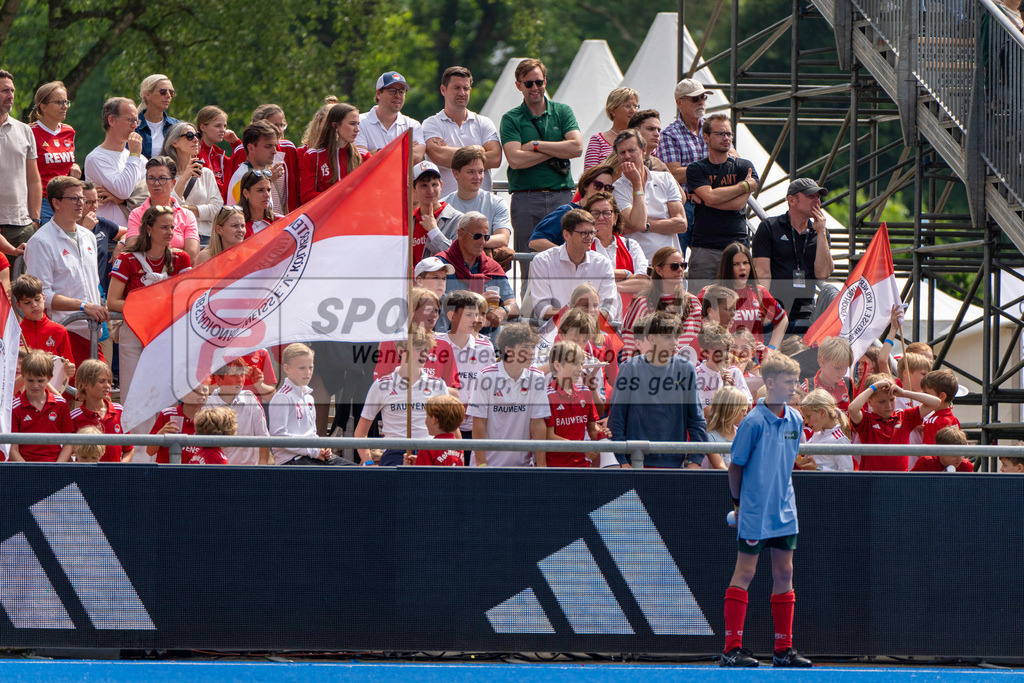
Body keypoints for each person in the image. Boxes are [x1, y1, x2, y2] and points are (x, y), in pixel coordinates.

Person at [721, 351, 811, 668]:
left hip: (785, 509)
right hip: (754, 511)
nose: (794, 387)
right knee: (745, 573)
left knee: (784, 573)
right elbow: (736, 468)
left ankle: (783, 651)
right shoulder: (752, 422)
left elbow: (787, 463)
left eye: (795, 382)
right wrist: (739, 505)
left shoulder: (796, 419)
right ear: (770, 383)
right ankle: (732, 649)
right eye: (788, 382)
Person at [500, 58, 583, 278]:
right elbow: (515, 160)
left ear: (545, 81)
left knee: (569, 262)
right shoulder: (511, 118)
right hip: (526, 199)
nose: (535, 88)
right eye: (528, 84)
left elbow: (576, 148)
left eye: (539, 82)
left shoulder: (562, 111)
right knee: (529, 267)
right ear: (518, 85)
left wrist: (537, 146)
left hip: (562, 196)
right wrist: (557, 149)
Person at [107, 205, 192, 410]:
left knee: (166, 396)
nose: (170, 233)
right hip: (135, 332)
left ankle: (165, 442)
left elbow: (188, 299)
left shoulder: (181, 259)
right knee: (134, 394)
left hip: (167, 334)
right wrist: (148, 306)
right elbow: (112, 302)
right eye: (164, 227)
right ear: (148, 229)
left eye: (172, 227)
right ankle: (136, 443)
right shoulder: (127, 259)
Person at [23, 176, 109, 367]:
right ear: (56, 202)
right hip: (63, 332)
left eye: (82, 199)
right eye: (74, 199)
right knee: (72, 395)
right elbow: (41, 294)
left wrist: (94, 308)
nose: (81, 203)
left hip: (93, 331)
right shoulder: (40, 242)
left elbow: (93, 284)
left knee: (97, 392)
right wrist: (83, 306)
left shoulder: (88, 236)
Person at [609, 311, 708, 467]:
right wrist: (622, 461)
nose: (675, 342)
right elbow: (616, 419)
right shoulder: (629, 368)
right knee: (632, 493)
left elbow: (696, 419)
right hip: (635, 464)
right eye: (668, 337)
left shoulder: (687, 369)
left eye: (676, 336)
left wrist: (696, 460)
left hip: (674, 465)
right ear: (651, 339)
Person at [356, 328, 450, 466]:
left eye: (426, 349)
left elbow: (451, 430)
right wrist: (369, 463)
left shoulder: (438, 384)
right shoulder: (381, 385)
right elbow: (360, 433)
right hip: (393, 454)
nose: (424, 354)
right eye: (418, 348)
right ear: (401, 351)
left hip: (430, 453)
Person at [752, 178, 834, 334]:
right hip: (774, 312)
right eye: (811, 196)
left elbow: (823, 273)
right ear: (792, 200)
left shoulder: (820, 232)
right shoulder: (770, 227)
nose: (817, 200)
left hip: (805, 313)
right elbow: (763, 273)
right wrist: (763, 309)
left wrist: (821, 233)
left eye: (818, 196)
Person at [686, 114, 758, 285]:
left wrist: (705, 201)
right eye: (720, 133)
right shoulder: (696, 169)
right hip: (705, 246)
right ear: (706, 137)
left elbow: (739, 204)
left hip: (737, 244)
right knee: (701, 302)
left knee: (739, 303)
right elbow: (710, 197)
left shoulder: (743, 166)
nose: (726, 138)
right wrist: (744, 186)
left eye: (729, 134)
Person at [467, 322, 549, 466]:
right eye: (525, 347)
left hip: (522, 467)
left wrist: (541, 466)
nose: (531, 352)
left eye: (533, 347)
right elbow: (478, 423)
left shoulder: (537, 377)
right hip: (488, 466)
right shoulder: (485, 376)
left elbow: (537, 424)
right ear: (508, 351)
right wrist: (481, 465)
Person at [528, 208, 618, 322]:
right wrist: (580, 317)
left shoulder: (603, 263)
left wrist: (582, 320)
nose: (590, 237)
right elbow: (542, 307)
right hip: (553, 333)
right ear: (566, 235)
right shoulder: (542, 261)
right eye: (584, 233)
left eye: (592, 232)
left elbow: (609, 307)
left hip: (592, 331)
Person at [437, 212, 519, 335]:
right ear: (460, 233)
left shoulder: (492, 268)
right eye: (477, 236)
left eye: (486, 237)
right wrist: (477, 302)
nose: (482, 242)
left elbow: (514, 306)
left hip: (487, 341)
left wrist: (503, 311)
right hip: (449, 339)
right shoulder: (441, 265)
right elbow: (434, 307)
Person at [423, 66, 502, 193]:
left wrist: (452, 156)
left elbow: (496, 158)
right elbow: (439, 156)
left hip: (480, 208)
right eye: (456, 88)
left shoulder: (484, 122)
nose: (462, 93)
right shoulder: (431, 124)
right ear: (443, 90)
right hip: (445, 207)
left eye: (466, 88)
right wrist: (476, 149)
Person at [612, 129, 687, 260]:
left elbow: (681, 224)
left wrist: (646, 226)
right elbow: (637, 223)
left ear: (643, 150)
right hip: (639, 264)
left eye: (632, 150)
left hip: (671, 264)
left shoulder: (665, 179)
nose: (627, 156)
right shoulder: (617, 188)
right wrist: (636, 183)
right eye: (622, 152)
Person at [620, 246, 702, 360]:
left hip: (686, 369)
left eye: (683, 265)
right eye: (674, 266)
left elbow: (698, 339)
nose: (680, 270)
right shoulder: (642, 303)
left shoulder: (693, 302)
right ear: (659, 270)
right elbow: (630, 344)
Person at [702, 242, 789, 350]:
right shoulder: (711, 292)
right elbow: (694, 322)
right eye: (736, 264)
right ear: (727, 267)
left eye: (745, 263)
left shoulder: (759, 291)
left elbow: (782, 319)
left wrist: (772, 348)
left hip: (754, 361)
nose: (742, 268)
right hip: (723, 358)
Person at [847, 374, 943, 471]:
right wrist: (874, 387)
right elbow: (852, 409)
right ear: (870, 402)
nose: (888, 405)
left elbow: (936, 402)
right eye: (882, 401)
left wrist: (905, 393)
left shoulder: (904, 416)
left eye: (892, 399)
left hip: (899, 479)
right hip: (872, 480)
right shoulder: (866, 420)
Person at [655, 78, 710, 243]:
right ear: (679, 103)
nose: (701, 102)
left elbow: (732, 158)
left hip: (712, 205)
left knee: (709, 262)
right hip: (685, 205)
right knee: (677, 260)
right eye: (695, 98)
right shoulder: (669, 134)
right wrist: (714, 166)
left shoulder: (714, 128)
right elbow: (674, 174)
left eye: (703, 97)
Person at [438, 290, 496, 442]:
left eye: (476, 315)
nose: (476, 320)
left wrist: (472, 408)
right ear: (451, 316)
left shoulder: (486, 347)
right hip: (443, 426)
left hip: (477, 426)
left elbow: (490, 387)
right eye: (469, 315)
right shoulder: (436, 345)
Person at [0, 70, 43, 266]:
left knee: (22, 291)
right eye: (4, 91)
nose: (10, 96)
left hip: (21, 224)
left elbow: (34, 180)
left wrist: (34, 220)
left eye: (12, 90)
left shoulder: (25, 130)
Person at [544, 340, 609, 467]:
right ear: (557, 366)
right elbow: (548, 436)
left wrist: (602, 433)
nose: (580, 369)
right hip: (555, 467)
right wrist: (581, 447)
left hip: (582, 465)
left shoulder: (585, 392)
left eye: (581, 364)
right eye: (575, 364)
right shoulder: (547, 396)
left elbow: (592, 429)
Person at [123, 156, 200, 263]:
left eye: (162, 178)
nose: (156, 183)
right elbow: (133, 250)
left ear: (173, 183)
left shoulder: (187, 215)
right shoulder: (136, 214)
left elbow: (192, 256)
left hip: (178, 274)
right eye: (151, 178)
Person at [269, 343, 337, 465]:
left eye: (310, 367)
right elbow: (279, 437)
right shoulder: (282, 397)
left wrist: (323, 448)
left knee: (353, 471)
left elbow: (312, 433)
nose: (307, 372)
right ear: (286, 368)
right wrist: (315, 451)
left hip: (310, 456)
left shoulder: (308, 397)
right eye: (302, 368)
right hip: (291, 461)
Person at [84, 97, 146, 228]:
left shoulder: (141, 159)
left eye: (136, 121)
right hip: (107, 234)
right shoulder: (95, 158)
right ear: (111, 120)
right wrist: (134, 154)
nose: (135, 126)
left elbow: (150, 195)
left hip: (135, 233)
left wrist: (121, 201)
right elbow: (124, 190)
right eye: (130, 120)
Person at [583, 191, 649, 312]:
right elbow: (584, 280)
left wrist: (607, 286)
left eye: (607, 213)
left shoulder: (630, 246)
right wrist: (627, 274)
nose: (601, 217)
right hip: (593, 316)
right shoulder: (581, 246)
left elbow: (644, 282)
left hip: (628, 316)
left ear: (615, 218)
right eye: (595, 213)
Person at [227, 105, 300, 213]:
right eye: (275, 125)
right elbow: (251, 215)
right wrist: (268, 179)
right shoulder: (242, 175)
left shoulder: (288, 148)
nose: (279, 130)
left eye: (282, 125)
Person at [527, 164, 615, 252]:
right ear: (585, 186)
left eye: (608, 188)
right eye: (598, 185)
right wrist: (568, 254)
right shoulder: (567, 211)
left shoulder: (608, 215)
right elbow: (535, 241)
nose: (603, 191)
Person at [442, 146, 512, 253]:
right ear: (456, 173)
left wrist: (468, 242)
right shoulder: (443, 205)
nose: (477, 177)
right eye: (471, 172)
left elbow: (503, 238)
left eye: (481, 171)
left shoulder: (496, 203)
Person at [30, 81, 81, 225]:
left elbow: (65, 160)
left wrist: (74, 165)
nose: (65, 106)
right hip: (43, 202)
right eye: (59, 102)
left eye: (66, 102)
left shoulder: (69, 131)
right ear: (43, 106)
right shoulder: (29, 132)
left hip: (67, 200)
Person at [9, 350, 74, 463]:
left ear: (49, 378)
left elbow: (69, 442)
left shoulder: (61, 404)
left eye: (40, 381)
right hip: (24, 469)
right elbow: (12, 448)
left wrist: (57, 467)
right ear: (22, 377)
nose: (35, 385)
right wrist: (27, 470)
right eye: (30, 380)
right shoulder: (15, 408)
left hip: (55, 466)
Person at [298, 102, 369, 205]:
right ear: (335, 126)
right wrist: (341, 195)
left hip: (355, 218)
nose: (357, 129)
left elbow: (371, 192)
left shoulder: (363, 156)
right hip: (325, 219)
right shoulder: (313, 156)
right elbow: (307, 197)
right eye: (352, 124)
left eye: (358, 124)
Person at [164, 122, 223, 244]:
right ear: (175, 143)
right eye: (190, 136)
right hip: (177, 238)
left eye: (197, 135)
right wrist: (183, 179)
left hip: (205, 238)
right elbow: (167, 209)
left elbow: (217, 210)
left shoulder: (206, 173)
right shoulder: (164, 176)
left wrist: (185, 209)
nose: (196, 139)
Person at [205, 359, 271, 466]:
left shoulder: (250, 399)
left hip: (250, 472)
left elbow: (264, 437)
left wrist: (261, 469)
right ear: (218, 379)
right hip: (218, 472)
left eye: (242, 374)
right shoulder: (207, 405)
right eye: (234, 375)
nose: (240, 379)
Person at [12, 274, 75, 382]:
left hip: (51, 394)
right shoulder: (15, 332)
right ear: (18, 304)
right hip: (21, 394)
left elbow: (68, 367)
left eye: (37, 299)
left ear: (44, 297)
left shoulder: (59, 330)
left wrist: (70, 369)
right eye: (27, 302)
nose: (34, 305)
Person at [70, 359, 132, 463]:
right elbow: (67, 451)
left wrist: (120, 469)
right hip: (86, 477)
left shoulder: (119, 411)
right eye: (102, 381)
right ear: (85, 384)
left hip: (114, 477)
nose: (107, 385)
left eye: (108, 381)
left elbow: (129, 449)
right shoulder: (74, 417)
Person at [355, 71, 426, 163]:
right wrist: (403, 148)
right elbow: (360, 160)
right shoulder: (359, 122)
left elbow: (416, 157)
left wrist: (376, 152)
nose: (397, 96)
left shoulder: (413, 125)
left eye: (401, 91)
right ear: (378, 94)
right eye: (392, 91)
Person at [411, 160, 462, 263]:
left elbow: (459, 260)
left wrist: (434, 231)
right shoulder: (408, 220)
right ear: (414, 189)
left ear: (441, 185)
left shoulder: (458, 220)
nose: (430, 191)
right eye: (424, 185)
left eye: (434, 184)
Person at [696, 324, 752, 412]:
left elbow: (747, 409)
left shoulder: (735, 372)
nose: (725, 355)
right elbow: (705, 413)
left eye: (726, 350)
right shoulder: (696, 375)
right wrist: (726, 395)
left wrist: (732, 390)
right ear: (705, 352)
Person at [225, 120, 281, 208]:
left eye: (275, 146)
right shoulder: (242, 176)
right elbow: (251, 216)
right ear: (251, 148)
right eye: (268, 146)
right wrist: (268, 181)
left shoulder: (260, 172)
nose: (274, 151)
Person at [148, 384, 208, 464]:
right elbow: (149, 451)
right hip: (165, 473)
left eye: (205, 390)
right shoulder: (167, 414)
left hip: (194, 474)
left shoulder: (208, 419)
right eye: (196, 390)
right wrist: (161, 434)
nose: (202, 393)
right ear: (183, 394)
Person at [80, 181, 123, 292]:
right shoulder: (67, 228)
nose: (94, 207)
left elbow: (129, 232)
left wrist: (120, 245)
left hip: (100, 294)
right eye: (88, 202)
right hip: (78, 295)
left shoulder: (101, 223)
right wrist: (85, 230)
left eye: (96, 201)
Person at [584, 87, 639, 169]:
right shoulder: (597, 140)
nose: (633, 110)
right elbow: (589, 175)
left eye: (635, 106)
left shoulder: (642, 139)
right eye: (627, 106)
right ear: (612, 110)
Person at [799, 389, 852, 472]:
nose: (806, 421)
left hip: (827, 485)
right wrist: (799, 430)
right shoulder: (817, 434)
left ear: (822, 412)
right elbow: (804, 449)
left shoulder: (840, 440)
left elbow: (847, 474)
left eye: (808, 416)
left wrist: (817, 468)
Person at [410, 394, 467, 466]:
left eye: (427, 416)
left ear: (434, 419)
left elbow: (421, 475)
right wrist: (418, 461)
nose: (426, 420)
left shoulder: (427, 448)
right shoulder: (459, 447)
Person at [800, 336, 854, 410]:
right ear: (822, 362)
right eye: (838, 368)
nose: (843, 372)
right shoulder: (807, 388)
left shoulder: (849, 384)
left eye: (846, 368)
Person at [196, 105, 239, 198]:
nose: (223, 130)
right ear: (203, 127)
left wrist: (236, 143)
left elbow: (241, 168)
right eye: (218, 126)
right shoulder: (194, 152)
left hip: (220, 207)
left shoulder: (218, 155)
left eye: (224, 126)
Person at [701, 385, 749, 469]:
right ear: (729, 411)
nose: (746, 414)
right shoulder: (710, 437)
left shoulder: (742, 434)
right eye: (742, 410)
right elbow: (720, 467)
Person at [135, 74, 179, 159]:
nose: (168, 96)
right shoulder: (133, 126)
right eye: (163, 92)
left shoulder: (176, 126)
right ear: (148, 95)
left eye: (171, 92)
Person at [919, 370, 962, 445]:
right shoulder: (955, 420)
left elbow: (929, 453)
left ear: (942, 396)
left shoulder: (932, 421)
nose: (922, 395)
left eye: (926, 393)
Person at [626, 109, 672, 174]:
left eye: (658, 130)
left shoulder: (659, 166)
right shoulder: (618, 161)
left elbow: (674, 184)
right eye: (651, 129)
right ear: (635, 131)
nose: (657, 134)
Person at [239, 170, 281, 237]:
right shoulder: (235, 225)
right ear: (245, 193)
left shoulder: (280, 221)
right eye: (260, 190)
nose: (267, 195)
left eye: (268, 190)